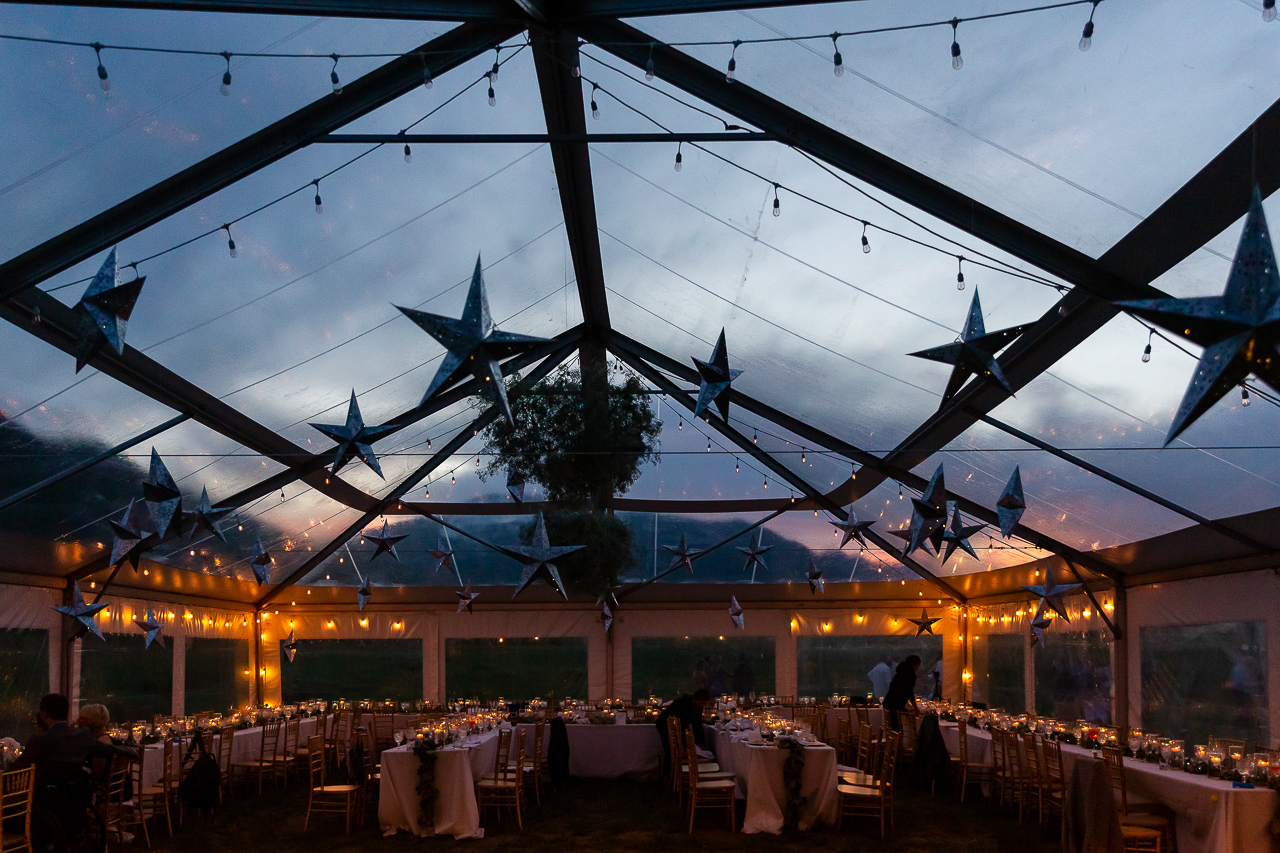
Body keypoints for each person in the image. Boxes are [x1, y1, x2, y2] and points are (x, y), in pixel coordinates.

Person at [656, 689, 712, 777]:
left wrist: (700, 742)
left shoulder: (697, 708)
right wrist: (686, 743)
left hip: (676, 727)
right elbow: (682, 724)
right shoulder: (683, 704)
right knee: (670, 750)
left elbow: (697, 724)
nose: (702, 706)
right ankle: (668, 775)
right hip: (664, 725)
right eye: (701, 703)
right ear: (695, 699)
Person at [882, 655, 922, 732]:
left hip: (889, 702)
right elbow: (909, 691)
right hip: (895, 705)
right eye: (918, 665)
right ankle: (898, 743)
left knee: (893, 729)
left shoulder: (901, 671)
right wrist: (915, 708)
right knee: (897, 730)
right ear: (914, 664)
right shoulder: (910, 673)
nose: (918, 668)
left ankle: (893, 743)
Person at [74, 704, 113, 780]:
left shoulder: (101, 743)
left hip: (101, 789)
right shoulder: (100, 738)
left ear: (92, 721)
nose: (77, 721)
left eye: (81, 718)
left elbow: (96, 776)